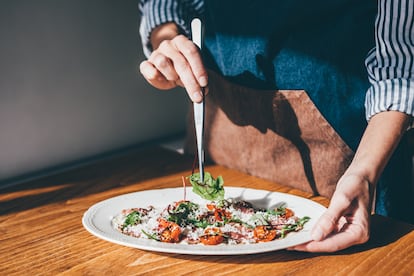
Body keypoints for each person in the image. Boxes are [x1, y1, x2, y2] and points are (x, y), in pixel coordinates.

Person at [138, 0, 414, 252]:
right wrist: (167, 40)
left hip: (351, 156)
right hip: (221, 132)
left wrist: (363, 173)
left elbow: (402, 69)